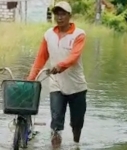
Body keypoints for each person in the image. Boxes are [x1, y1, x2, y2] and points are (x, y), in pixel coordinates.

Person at [27, 1, 87, 147]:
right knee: (56, 122)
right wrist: (30, 79)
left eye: (63, 14)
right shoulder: (48, 35)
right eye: (57, 14)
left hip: (77, 86)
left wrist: (60, 65)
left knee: (77, 123)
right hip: (56, 84)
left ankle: (76, 144)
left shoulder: (79, 34)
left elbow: (74, 56)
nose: (59, 17)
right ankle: (56, 147)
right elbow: (40, 58)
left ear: (69, 16)